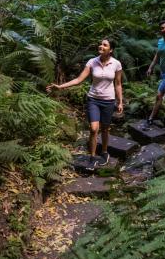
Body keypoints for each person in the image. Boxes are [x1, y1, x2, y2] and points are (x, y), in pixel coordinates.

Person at [47, 39, 123, 167]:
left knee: (105, 128)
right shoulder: (92, 62)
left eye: (105, 45)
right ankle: (92, 156)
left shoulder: (116, 64)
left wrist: (120, 102)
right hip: (93, 99)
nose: (101, 46)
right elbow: (78, 79)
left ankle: (104, 152)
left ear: (110, 50)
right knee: (94, 129)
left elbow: (118, 84)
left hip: (109, 100)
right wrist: (60, 87)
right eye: (100, 44)